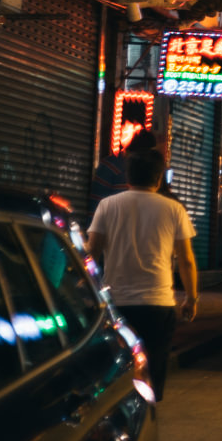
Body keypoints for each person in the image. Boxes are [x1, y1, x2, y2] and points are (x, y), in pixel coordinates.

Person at [88, 147, 199, 400]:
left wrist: (90, 295)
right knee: (153, 370)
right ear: (159, 178)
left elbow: (91, 254)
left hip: (117, 306)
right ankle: (147, 415)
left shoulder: (107, 206)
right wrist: (191, 299)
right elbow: (187, 260)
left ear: (128, 176)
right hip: (158, 305)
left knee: (117, 372)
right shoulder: (173, 209)